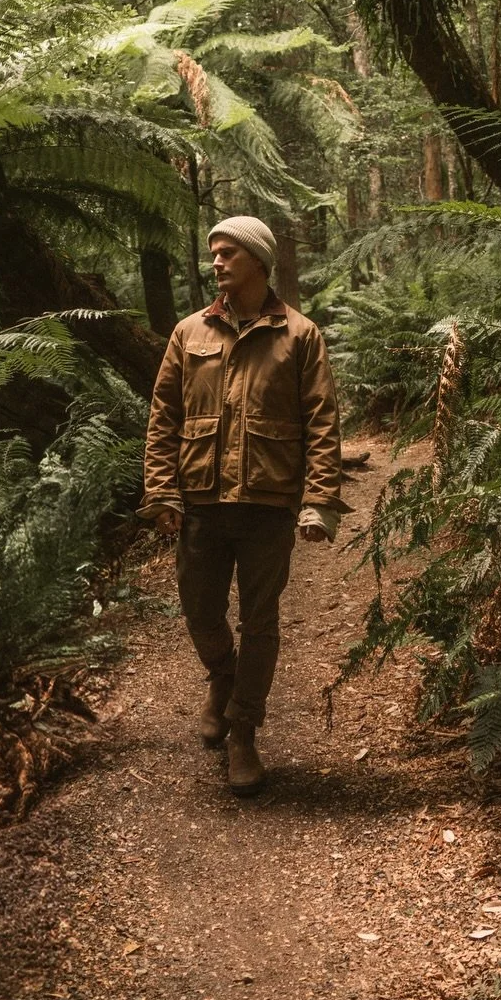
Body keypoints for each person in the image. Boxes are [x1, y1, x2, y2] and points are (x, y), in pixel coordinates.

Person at [140, 215, 345, 795]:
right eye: (213, 253)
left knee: (261, 622)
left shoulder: (300, 336)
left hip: (266, 503)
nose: (217, 263)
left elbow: (321, 424)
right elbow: (163, 420)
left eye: (228, 253)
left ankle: (243, 732)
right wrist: (161, 491)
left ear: (258, 260)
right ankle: (223, 677)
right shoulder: (188, 334)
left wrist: (319, 500)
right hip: (201, 500)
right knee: (201, 611)